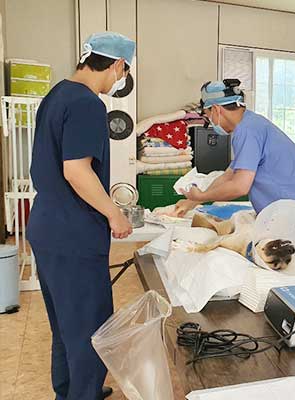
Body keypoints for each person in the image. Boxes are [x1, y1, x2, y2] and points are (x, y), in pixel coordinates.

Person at [27, 32, 136, 399]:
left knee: (66, 324)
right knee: (89, 326)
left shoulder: (57, 93)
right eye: (123, 73)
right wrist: (114, 215)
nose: (119, 81)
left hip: (47, 224)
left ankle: (69, 391)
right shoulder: (88, 103)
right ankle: (83, 394)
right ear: (119, 65)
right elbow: (77, 170)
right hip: (73, 231)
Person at [172, 79, 295, 270]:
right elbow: (229, 176)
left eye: (208, 115)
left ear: (216, 109)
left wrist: (202, 196)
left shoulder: (248, 130)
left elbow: (240, 185)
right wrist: (193, 202)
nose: (210, 122)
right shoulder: (250, 125)